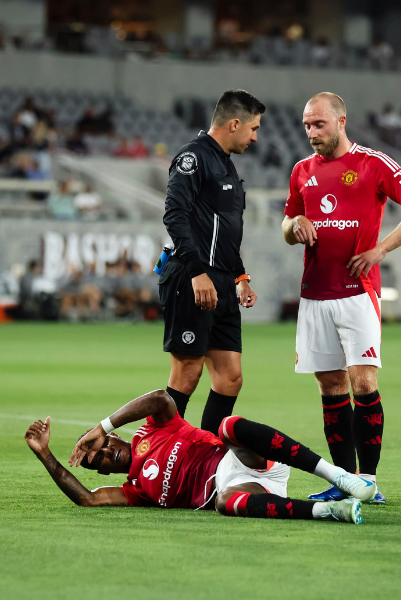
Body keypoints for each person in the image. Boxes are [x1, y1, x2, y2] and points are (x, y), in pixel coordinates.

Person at [281, 92, 401, 504]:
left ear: (341, 121)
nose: (312, 133)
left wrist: (380, 249)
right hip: (314, 293)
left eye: (319, 124)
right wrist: (294, 224)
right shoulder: (300, 171)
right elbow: (286, 223)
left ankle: (368, 480)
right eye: (307, 126)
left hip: (357, 292)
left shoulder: (373, 163)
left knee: (363, 381)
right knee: (330, 385)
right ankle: (344, 480)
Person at [24, 389, 376, 523]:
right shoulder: (135, 491)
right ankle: (329, 511)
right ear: (102, 473)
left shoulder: (152, 429)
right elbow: (87, 499)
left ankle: (337, 476)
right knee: (224, 502)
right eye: (96, 462)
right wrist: (45, 455)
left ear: (112, 437)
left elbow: (161, 398)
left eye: (101, 447)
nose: (104, 455)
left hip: (246, 457)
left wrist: (102, 424)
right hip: (243, 492)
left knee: (228, 425)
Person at [160, 90, 263, 434]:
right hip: (193, 278)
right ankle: (154, 456)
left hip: (221, 281)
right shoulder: (193, 157)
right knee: (187, 372)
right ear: (234, 123)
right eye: (253, 128)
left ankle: (207, 457)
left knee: (230, 377)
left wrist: (240, 276)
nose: (255, 137)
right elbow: (175, 215)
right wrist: (197, 271)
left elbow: (226, 232)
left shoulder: (227, 166)